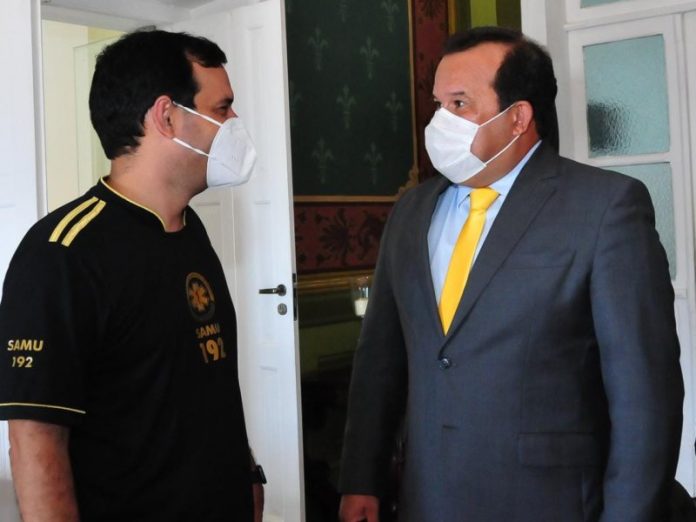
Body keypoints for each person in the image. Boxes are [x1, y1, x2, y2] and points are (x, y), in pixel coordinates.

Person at [339, 26, 684, 522]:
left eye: (459, 104)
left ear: (518, 117)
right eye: (438, 105)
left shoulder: (605, 208)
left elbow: (645, 395)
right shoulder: (412, 211)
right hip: (428, 498)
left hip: (549, 501)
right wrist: (361, 480)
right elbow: (380, 360)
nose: (439, 121)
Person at [0, 29, 265, 521]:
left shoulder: (190, 230)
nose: (234, 123)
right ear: (167, 116)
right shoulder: (62, 253)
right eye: (223, 107)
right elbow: (36, 440)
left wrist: (247, 475)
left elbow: (204, 384)